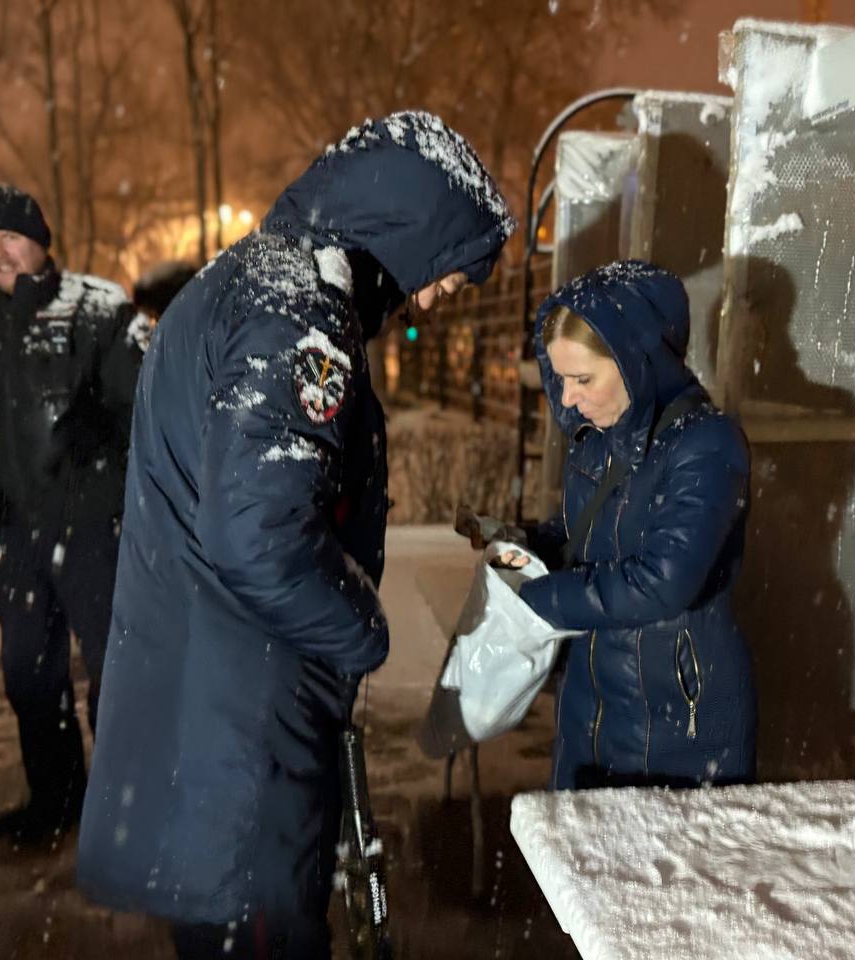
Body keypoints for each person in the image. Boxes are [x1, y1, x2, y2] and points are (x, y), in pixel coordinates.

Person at [76, 111, 514, 959]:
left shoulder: (250, 283)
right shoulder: (297, 314)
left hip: (210, 716)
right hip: (244, 739)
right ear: (410, 228)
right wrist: (361, 632)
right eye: (447, 276)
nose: (432, 297)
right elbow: (256, 534)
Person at [0, 184, 144, 845]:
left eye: (11, 237)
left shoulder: (98, 309)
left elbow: (153, 408)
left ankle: (131, 806)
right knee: (29, 674)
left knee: (115, 672)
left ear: (42, 239)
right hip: (14, 530)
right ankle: (58, 799)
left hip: (96, 525)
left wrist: (107, 430)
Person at [512, 260, 757, 791]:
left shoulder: (707, 445)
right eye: (560, 379)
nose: (569, 397)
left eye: (583, 378)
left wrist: (543, 599)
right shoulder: (600, 436)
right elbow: (594, 533)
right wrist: (530, 545)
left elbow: (662, 582)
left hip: (675, 724)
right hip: (591, 708)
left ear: (635, 361)